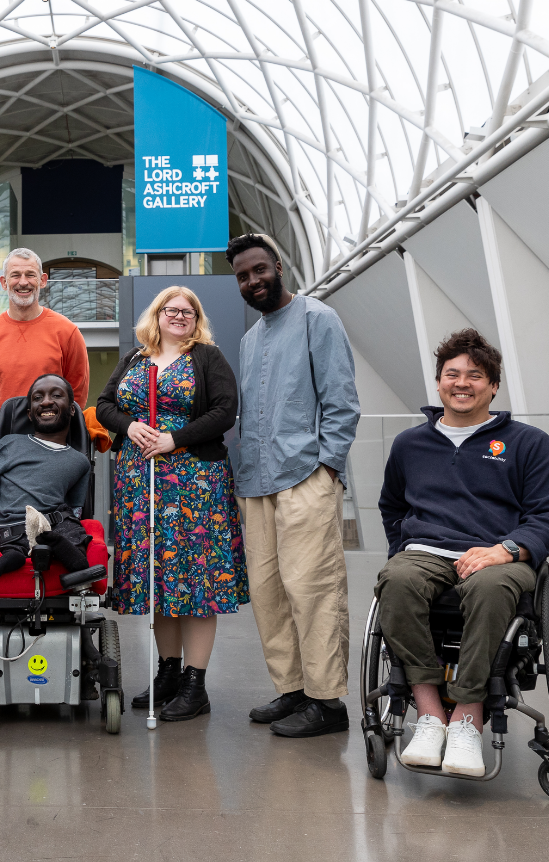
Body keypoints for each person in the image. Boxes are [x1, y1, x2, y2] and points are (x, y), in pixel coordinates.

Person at [377, 329, 549, 777]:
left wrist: (506, 550)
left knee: (490, 588)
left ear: (494, 386)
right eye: (452, 374)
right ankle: (429, 715)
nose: (462, 383)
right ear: (439, 382)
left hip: (499, 557)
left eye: (475, 375)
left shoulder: (528, 443)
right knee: (397, 579)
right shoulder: (409, 444)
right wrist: (402, 550)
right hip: (426, 551)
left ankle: (467, 718)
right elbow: (393, 507)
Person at [229, 233, 361, 739]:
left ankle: (327, 702)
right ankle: (293, 689)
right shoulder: (249, 340)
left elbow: (341, 401)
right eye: (243, 276)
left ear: (279, 267)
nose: (253, 281)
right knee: (268, 593)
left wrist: (327, 467)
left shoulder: (318, 318)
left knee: (312, 588)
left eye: (259, 270)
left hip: (306, 476)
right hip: (257, 483)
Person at [97, 285, 247, 721]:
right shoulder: (135, 358)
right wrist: (130, 426)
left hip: (194, 485)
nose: (180, 316)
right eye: (171, 309)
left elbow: (224, 410)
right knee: (159, 579)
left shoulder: (207, 357)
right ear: (157, 314)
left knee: (196, 579)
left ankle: (195, 685)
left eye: (188, 311)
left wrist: (173, 438)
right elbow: (104, 405)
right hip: (140, 484)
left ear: (196, 319)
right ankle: (168, 672)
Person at [0, 374, 102, 589]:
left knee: (73, 528)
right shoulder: (9, 444)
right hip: (11, 526)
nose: (46, 402)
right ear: (29, 414)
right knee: (16, 540)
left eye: (56, 395)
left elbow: (76, 508)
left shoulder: (80, 462)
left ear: (72, 409)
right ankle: (17, 555)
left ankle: (69, 557)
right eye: (37, 398)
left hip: (53, 526)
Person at [0, 248, 89, 427]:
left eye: (30, 275)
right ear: (4, 282)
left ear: (42, 280)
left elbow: (76, 395)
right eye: (15, 275)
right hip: (3, 437)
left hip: (51, 437)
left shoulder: (67, 332)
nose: (23, 282)